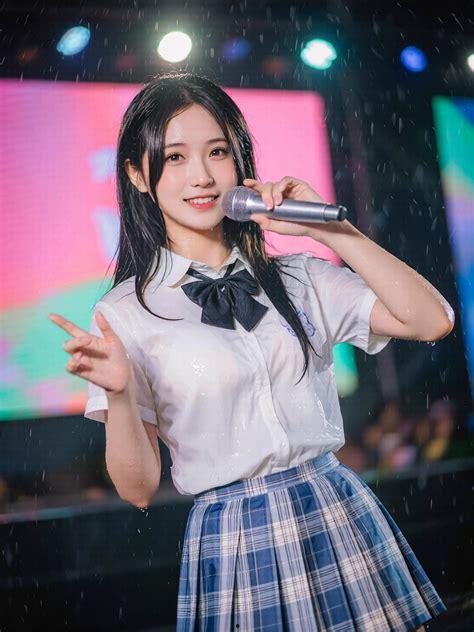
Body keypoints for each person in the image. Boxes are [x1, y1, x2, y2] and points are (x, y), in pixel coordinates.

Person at [48, 71, 454, 631]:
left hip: (336, 509)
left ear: (238, 162)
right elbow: (137, 489)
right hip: (234, 537)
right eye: (174, 157)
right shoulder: (124, 313)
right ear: (138, 174)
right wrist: (119, 395)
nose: (201, 175)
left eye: (217, 152)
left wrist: (331, 233)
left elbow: (432, 320)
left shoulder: (300, 277)